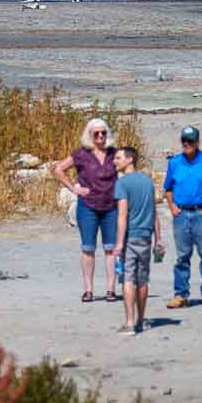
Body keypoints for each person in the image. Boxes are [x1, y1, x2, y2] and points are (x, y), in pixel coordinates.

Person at [54, 118, 121, 303]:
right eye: (96, 133)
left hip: (111, 207)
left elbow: (127, 170)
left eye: (103, 132)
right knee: (88, 248)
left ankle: (110, 290)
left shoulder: (114, 153)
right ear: (89, 135)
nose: (100, 136)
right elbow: (58, 170)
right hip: (88, 207)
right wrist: (73, 188)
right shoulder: (81, 154)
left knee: (111, 249)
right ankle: (89, 290)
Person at [162, 125, 202, 309]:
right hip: (181, 214)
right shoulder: (174, 163)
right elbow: (168, 188)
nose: (186, 144)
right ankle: (180, 295)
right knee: (182, 257)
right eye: (184, 141)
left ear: (197, 142)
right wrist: (172, 206)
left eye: (190, 141)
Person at [113, 146, 163, 334]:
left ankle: (129, 323)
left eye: (118, 158)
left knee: (128, 278)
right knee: (143, 280)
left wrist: (118, 243)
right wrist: (159, 238)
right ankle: (141, 320)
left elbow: (122, 215)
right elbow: (154, 212)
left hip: (130, 237)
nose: (115, 161)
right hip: (146, 237)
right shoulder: (148, 182)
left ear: (129, 160)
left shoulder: (122, 183)